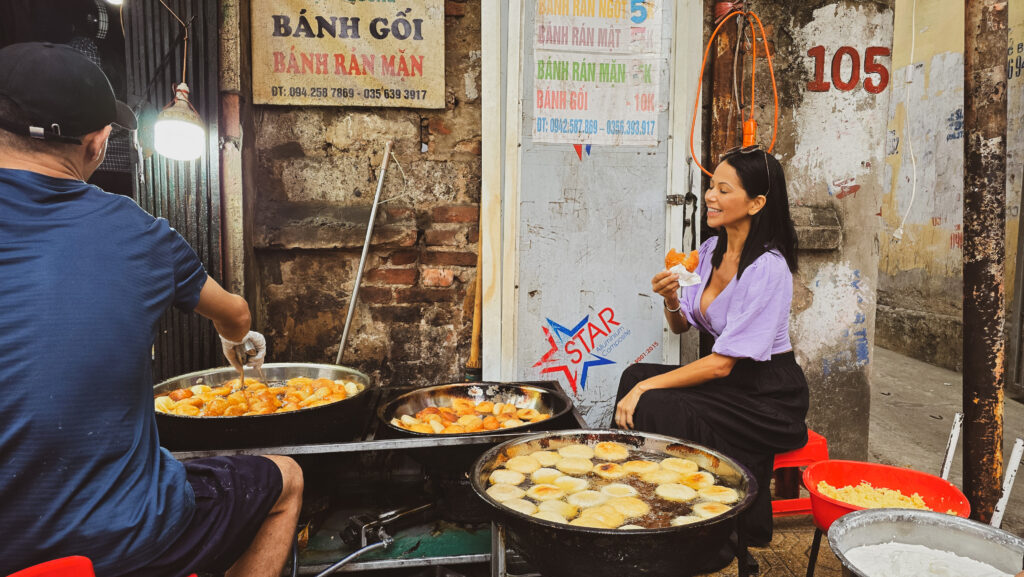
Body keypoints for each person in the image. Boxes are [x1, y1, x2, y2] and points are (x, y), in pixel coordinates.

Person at [0, 42, 302, 577]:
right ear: (98, 143)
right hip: (119, 546)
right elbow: (235, 312)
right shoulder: (135, 232)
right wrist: (237, 337)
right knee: (286, 478)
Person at [613, 146, 808, 549]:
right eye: (710, 186)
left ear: (756, 203)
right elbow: (682, 325)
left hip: (768, 394)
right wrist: (670, 298)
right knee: (634, 374)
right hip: (732, 380)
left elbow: (720, 366)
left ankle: (695, 524)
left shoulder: (768, 268)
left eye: (724, 189)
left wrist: (645, 390)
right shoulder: (707, 253)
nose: (711, 197)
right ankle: (646, 498)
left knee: (652, 398)